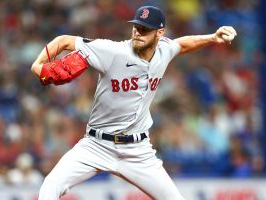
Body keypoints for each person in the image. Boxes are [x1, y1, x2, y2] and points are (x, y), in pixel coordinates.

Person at [31, 5, 237, 200]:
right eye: (136, 27)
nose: (138, 32)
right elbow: (65, 40)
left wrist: (211, 37)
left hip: (138, 151)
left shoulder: (164, 50)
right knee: (50, 185)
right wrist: (39, 63)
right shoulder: (111, 51)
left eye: (145, 29)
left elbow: (183, 44)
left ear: (160, 33)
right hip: (96, 145)